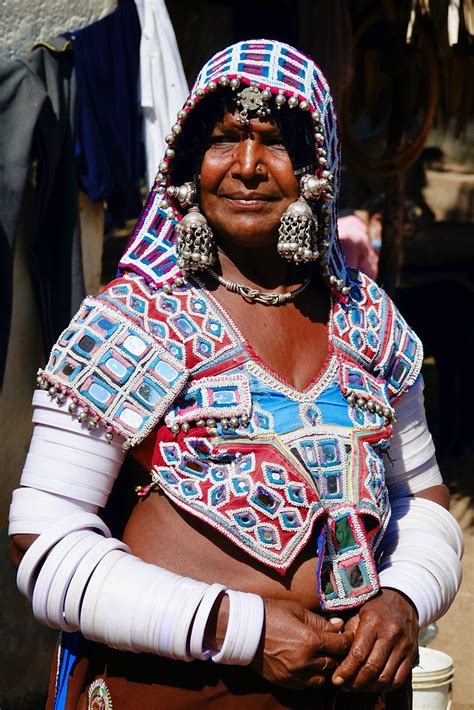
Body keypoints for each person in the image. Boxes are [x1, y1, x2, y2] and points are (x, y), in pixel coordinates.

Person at [8, 40, 463, 710]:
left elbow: (420, 500)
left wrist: (403, 597)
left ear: (315, 170)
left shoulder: (369, 320)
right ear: (190, 167)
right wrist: (240, 630)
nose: (246, 167)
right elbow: (42, 537)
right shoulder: (132, 322)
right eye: (223, 140)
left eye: (275, 143)